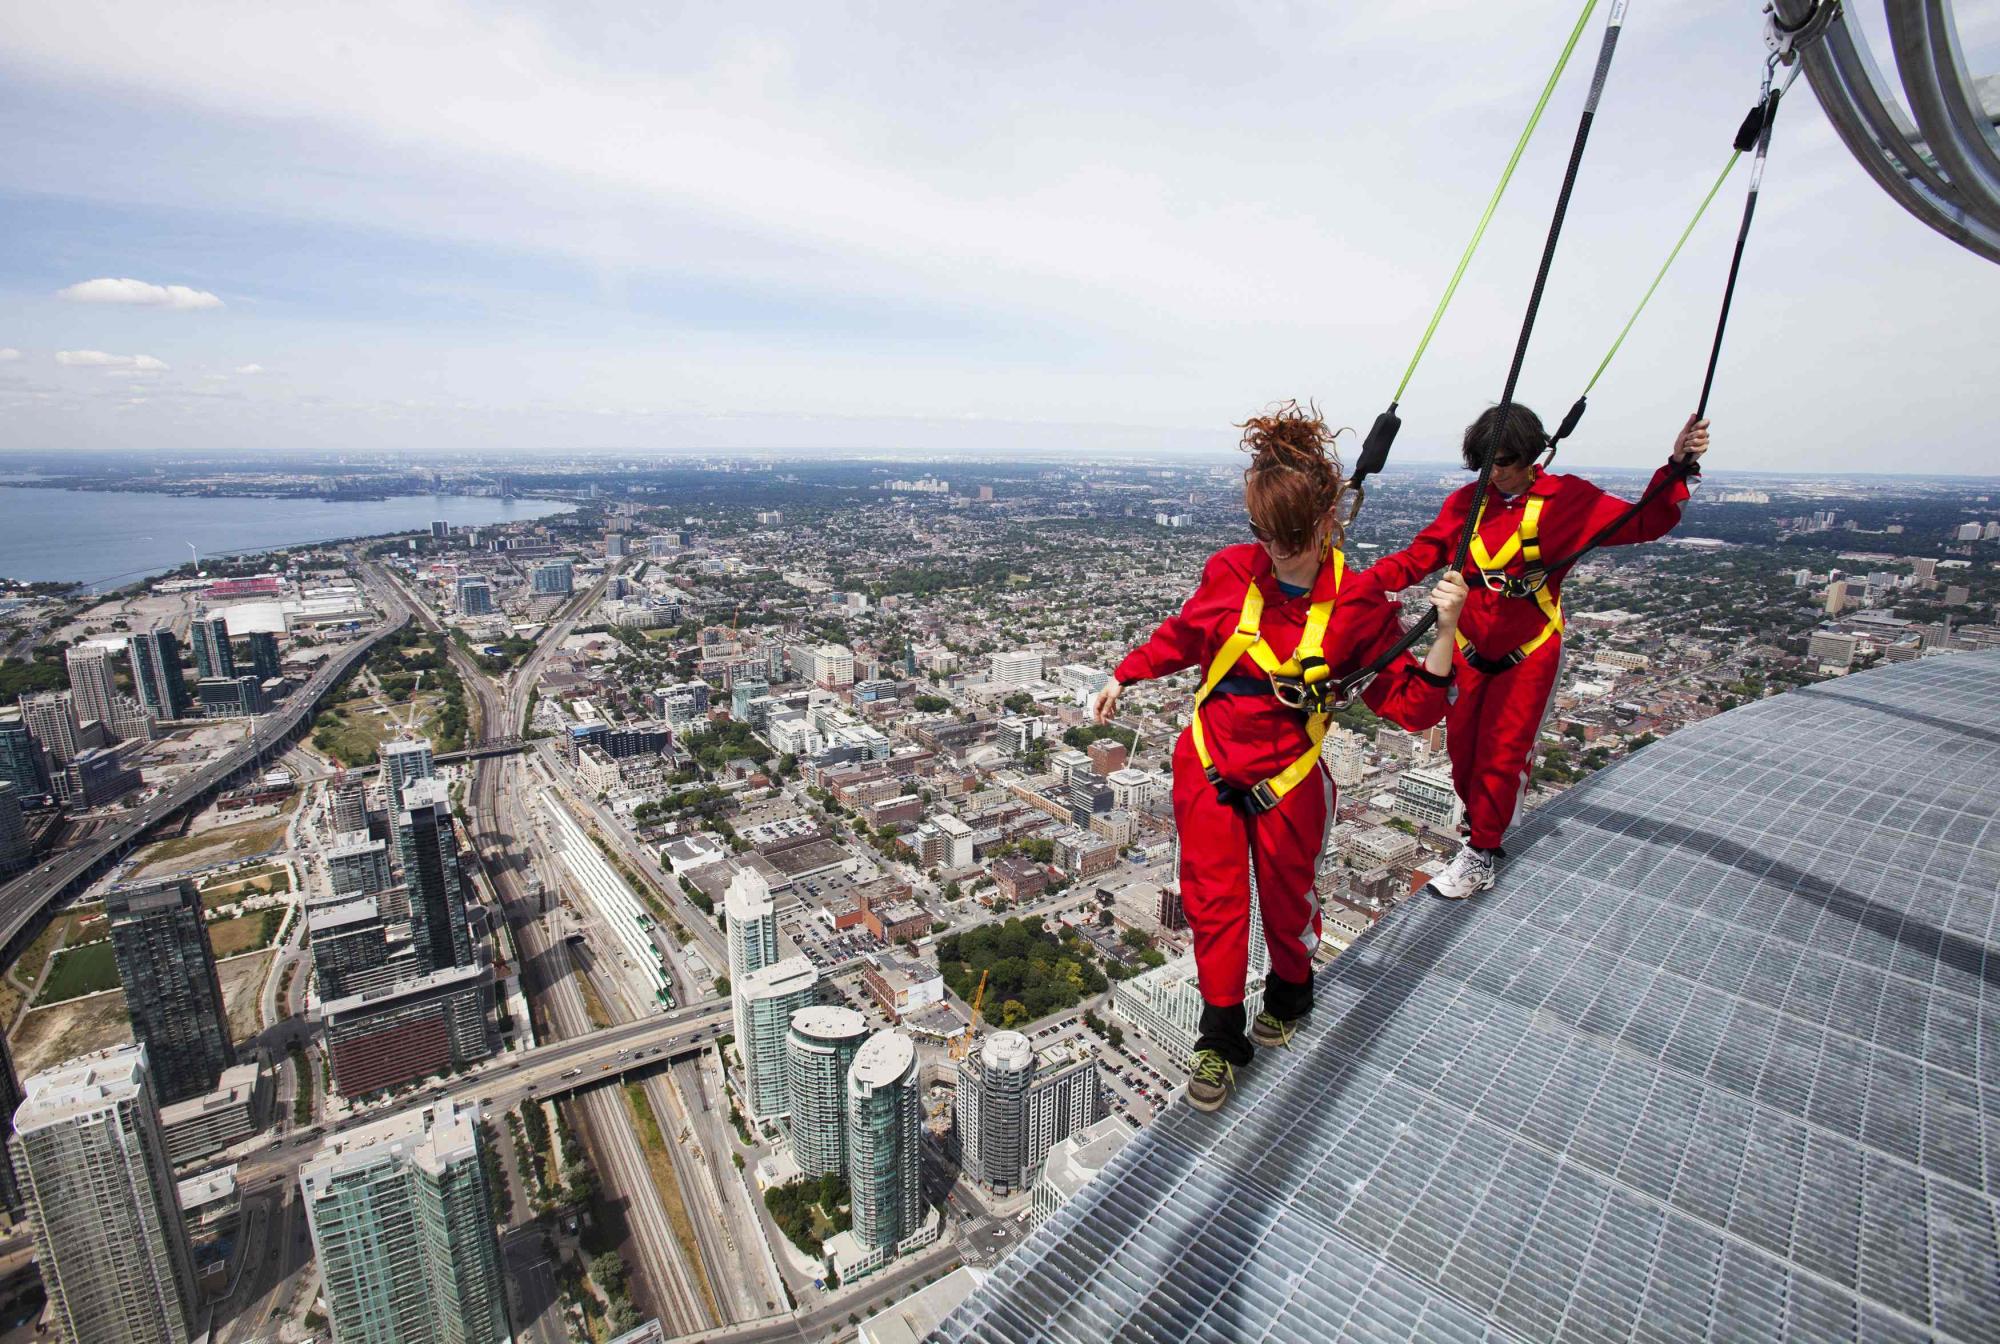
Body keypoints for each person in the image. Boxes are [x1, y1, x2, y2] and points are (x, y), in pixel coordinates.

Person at [1090, 402, 1469, 1113]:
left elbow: (1415, 705)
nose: (1278, 554)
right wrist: (1126, 673)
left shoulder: (1357, 602)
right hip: (1208, 766)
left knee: (1290, 899)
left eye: (1289, 540)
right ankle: (1220, 1036)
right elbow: (1182, 635)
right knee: (1215, 906)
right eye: (1267, 537)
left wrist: (1447, 631)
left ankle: (1292, 995)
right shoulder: (1231, 571)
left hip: (1289, 780)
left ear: (1329, 520)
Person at [1367, 405, 1710, 901]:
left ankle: (1481, 853)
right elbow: (1420, 555)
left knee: (1503, 755)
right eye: (1483, 465)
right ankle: (1480, 822)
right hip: (1468, 648)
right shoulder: (1468, 503)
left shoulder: (1567, 500)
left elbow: (1646, 520)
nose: (1494, 475)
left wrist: (1678, 467)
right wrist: (1356, 588)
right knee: (1463, 756)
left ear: (1531, 457)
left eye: (1503, 463)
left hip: (1527, 654)